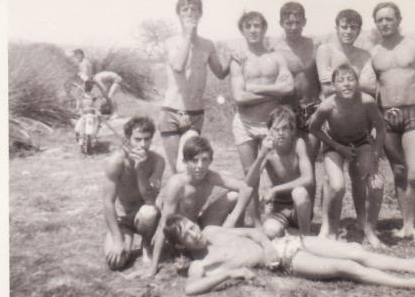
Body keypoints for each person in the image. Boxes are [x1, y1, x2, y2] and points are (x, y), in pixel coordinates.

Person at [163, 214, 415, 295]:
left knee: (353, 251)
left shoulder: (212, 230)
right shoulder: (200, 265)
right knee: (346, 266)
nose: (194, 233)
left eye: (191, 226)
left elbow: (252, 232)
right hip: (284, 261)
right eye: (187, 235)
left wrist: (267, 245)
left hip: (283, 243)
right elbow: (190, 289)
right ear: (181, 246)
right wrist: (231, 272)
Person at [371, 2, 415, 243]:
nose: (384, 23)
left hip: (412, 112)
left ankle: (411, 225)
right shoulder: (374, 53)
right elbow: (370, 89)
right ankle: (407, 225)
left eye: (389, 18)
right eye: (380, 20)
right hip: (385, 115)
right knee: (399, 171)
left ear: (398, 20)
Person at [149, 135, 253, 277]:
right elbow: (165, 223)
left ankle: (236, 237)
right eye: (195, 160)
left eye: (204, 160)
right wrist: (153, 267)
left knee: (234, 196)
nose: (200, 166)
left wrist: (232, 220)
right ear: (185, 162)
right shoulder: (177, 184)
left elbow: (246, 189)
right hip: (181, 234)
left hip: (197, 226)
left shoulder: (210, 177)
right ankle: (184, 253)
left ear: (210, 160)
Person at [309, 64, 386, 247]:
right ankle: (332, 230)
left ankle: (369, 230)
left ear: (357, 83)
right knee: (337, 186)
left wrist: (374, 159)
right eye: (341, 81)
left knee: (376, 185)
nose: (346, 84)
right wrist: (338, 147)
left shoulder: (367, 102)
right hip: (335, 145)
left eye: (351, 79)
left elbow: (381, 128)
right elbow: (313, 128)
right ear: (333, 86)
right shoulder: (327, 105)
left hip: (361, 142)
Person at [230, 11, 294, 226]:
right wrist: (274, 92)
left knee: (279, 172)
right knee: (250, 173)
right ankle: (255, 222)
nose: (253, 30)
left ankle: (280, 217)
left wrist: (256, 88)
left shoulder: (276, 57)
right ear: (242, 30)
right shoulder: (238, 59)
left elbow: (289, 87)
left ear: (264, 28)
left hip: (271, 125)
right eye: (248, 26)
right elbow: (239, 97)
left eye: (257, 26)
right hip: (245, 124)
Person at [159, 0, 231, 173]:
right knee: (177, 171)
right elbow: (178, 66)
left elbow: (220, 73)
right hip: (172, 112)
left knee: (191, 169)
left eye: (194, 9)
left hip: (195, 114)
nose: (190, 13)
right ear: (178, 14)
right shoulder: (171, 42)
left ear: (200, 14)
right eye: (185, 9)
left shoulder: (207, 45)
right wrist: (188, 36)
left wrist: (233, 60)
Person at [103, 116, 165, 272]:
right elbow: (108, 202)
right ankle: (126, 237)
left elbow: (150, 199)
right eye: (137, 139)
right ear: (127, 138)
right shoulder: (116, 161)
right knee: (115, 262)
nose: (142, 144)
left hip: (145, 217)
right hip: (123, 220)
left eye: (147, 139)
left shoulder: (157, 161)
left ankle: (146, 243)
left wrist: (141, 169)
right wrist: (117, 240)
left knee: (149, 211)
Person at [272, 2, 321, 188]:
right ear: (281, 23)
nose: (293, 27)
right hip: (285, 112)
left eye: (297, 22)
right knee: (287, 164)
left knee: (309, 163)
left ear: (304, 22)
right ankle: (286, 204)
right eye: (288, 23)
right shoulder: (274, 50)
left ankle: (306, 208)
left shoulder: (315, 46)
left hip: (311, 109)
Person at [246, 106, 314, 238]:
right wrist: (261, 155)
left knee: (299, 192)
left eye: (284, 128)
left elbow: (308, 178)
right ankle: (289, 233)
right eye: (276, 129)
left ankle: (306, 237)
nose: (280, 133)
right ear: (270, 131)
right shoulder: (268, 150)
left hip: (299, 207)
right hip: (279, 209)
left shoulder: (298, 144)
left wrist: (275, 189)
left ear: (292, 130)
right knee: (271, 230)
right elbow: (249, 182)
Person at [315, 9, 376, 98]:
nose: (348, 31)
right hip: (332, 105)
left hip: (358, 105)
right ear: (337, 29)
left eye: (353, 27)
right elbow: (327, 89)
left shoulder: (364, 55)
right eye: (344, 27)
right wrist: (358, 83)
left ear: (359, 31)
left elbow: (372, 87)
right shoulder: (326, 51)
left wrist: (339, 82)